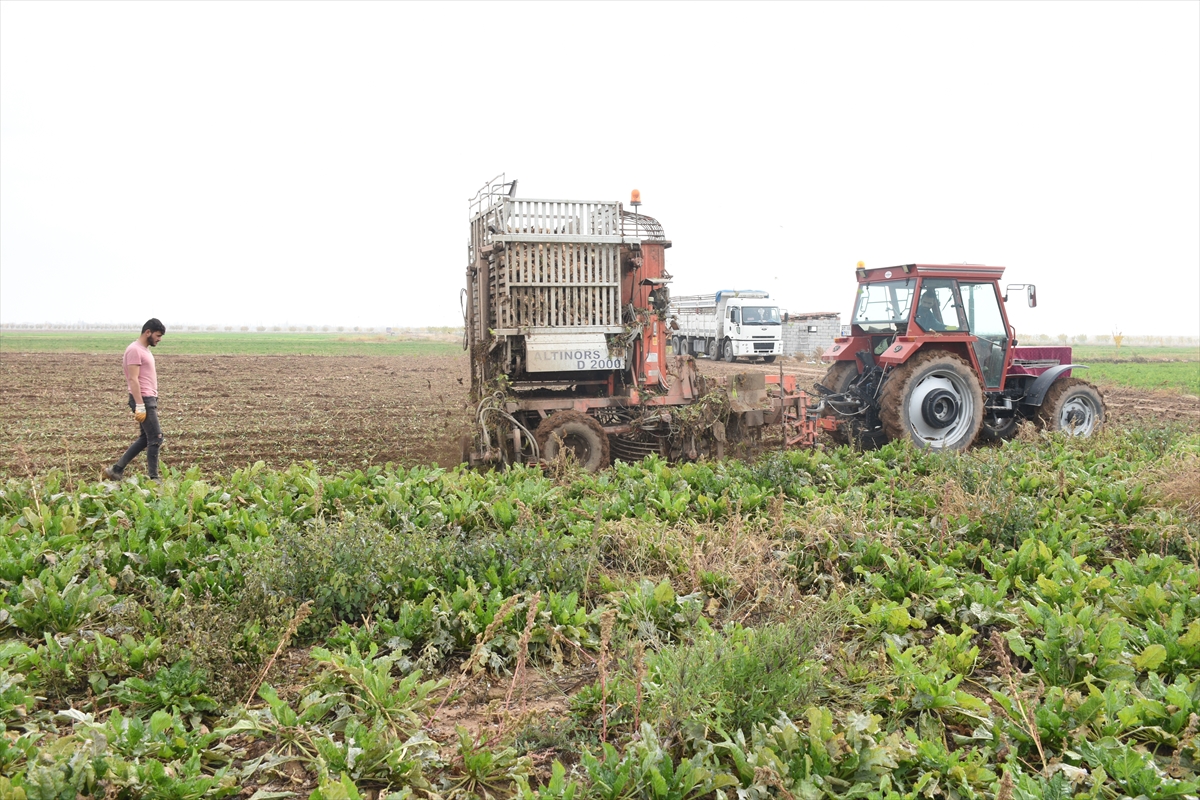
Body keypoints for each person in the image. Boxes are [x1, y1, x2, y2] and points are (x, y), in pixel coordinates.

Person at [103, 319, 166, 481]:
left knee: (146, 438)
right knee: (156, 437)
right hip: (143, 399)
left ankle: (116, 470)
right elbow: (133, 379)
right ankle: (154, 479)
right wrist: (140, 405)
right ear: (148, 332)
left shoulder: (144, 350)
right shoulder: (134, 350)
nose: (159, 339)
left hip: (149, 398)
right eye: (158, 335)